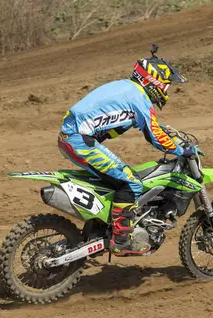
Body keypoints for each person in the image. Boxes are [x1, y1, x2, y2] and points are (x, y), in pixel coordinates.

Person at [57, 45, 197, 256]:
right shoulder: (139, 98)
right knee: (131, 181)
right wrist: (180, 151)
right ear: (154, 81)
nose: (166, 91)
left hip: (74, 137)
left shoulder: (126, 88)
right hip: (78, 141)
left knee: (114, 180)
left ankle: (100, 228)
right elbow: (155, 137)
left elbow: (114, 124)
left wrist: (155, 130)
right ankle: (121, 239)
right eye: (166, 86)